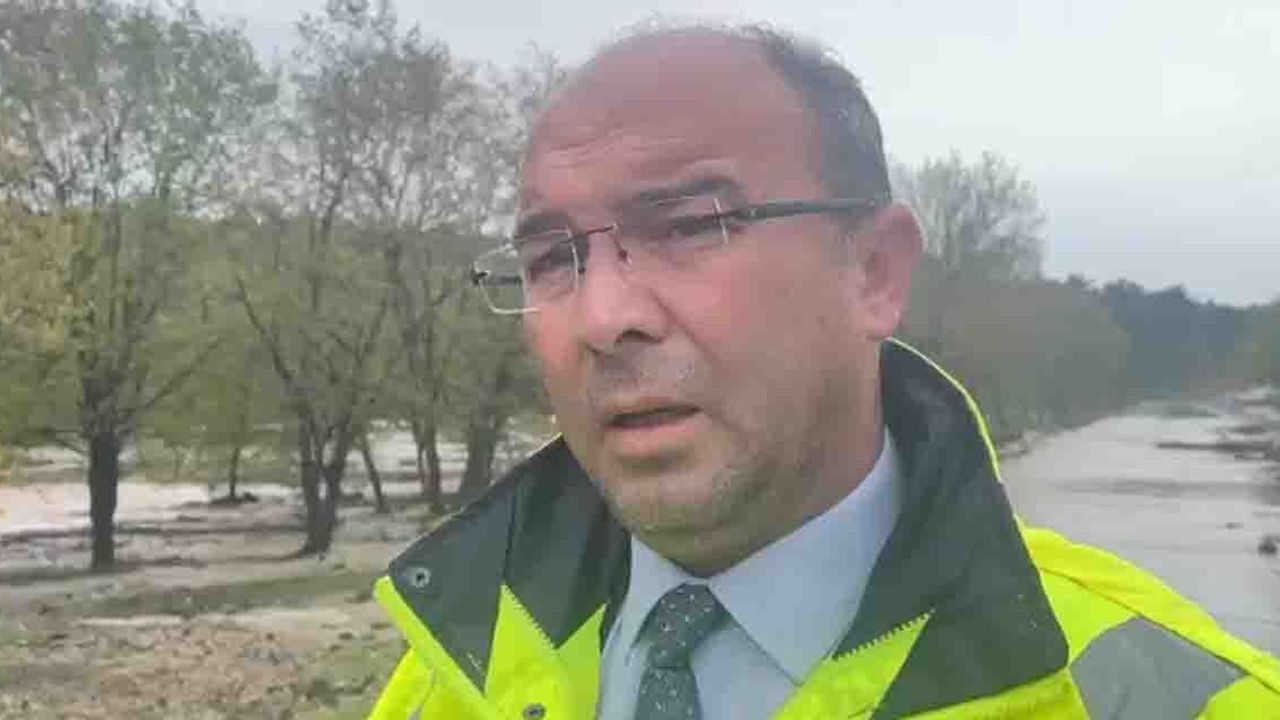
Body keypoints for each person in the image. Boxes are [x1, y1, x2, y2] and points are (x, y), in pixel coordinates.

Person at [368, 25, 1280, 719]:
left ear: (874, 272)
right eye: (550, 258)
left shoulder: (1166, 695)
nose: (604, 318)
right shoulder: (451, 673)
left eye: (688, 227)